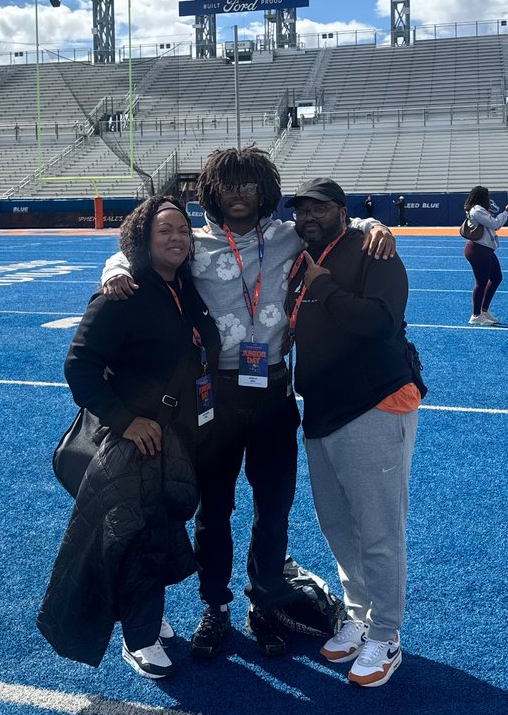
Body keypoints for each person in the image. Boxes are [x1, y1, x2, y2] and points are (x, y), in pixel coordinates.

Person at [101, 147, 396, 660]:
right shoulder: (192, 244)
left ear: (265, 190)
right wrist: (113, 267)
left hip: (275, 394)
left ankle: (264, 603)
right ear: (212, 193)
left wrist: (376, 224)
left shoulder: (287, 236)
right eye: (228, 186)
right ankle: (214, 607)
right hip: (214, 398)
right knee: (213, 512)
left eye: (248, 185)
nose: (238, 195)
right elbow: (138, 250)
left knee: (274, 510)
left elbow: (343, 224)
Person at [37, 196, 221, 679]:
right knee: (136, 537)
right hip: (137, 442)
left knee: (158, 532)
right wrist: (124, 420)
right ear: (143, 237)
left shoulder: (182, 286)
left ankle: (147, 616)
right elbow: (79, 366)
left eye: (183, 229)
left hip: (174, 438)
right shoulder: (123, 293)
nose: (177, 238)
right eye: (165, 231)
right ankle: (138, 639)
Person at [285, 177, 424, 688]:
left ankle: (386, 634)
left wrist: (324, 286)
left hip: (374, 403)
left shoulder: (373, 249)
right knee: (338, 525)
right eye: (302, 210)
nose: (309, 217)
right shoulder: (301, 255)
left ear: (342, 211)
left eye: (319, 208)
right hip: (320, 408)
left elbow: (381, 322)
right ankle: (360, 615)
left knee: (379, 528)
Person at [463, 185, 508, 326]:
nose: (488, 198)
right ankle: (476, 315)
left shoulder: (479, 209)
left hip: (484, 249)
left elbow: (495, 225)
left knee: (496, 278)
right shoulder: (477, 210)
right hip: (478, 249)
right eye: (486, 196)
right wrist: (506, 212)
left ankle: (484, 310)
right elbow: (495, 224)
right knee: (481, 282)